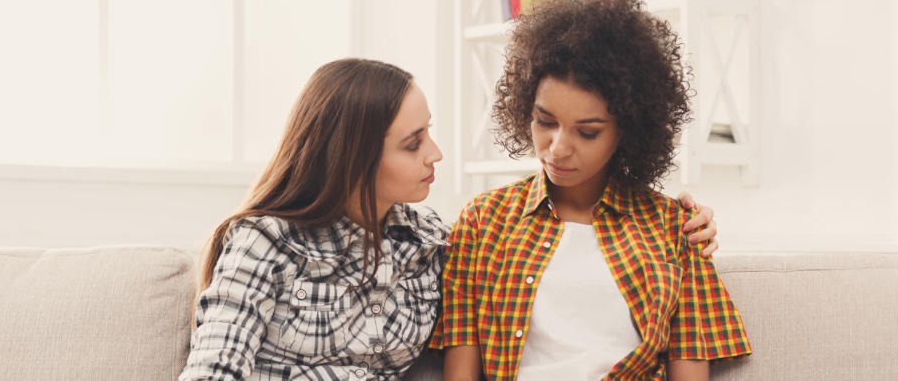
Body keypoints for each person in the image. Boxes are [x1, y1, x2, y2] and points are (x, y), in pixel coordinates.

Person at [179, 58, 720, 381]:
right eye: (414, 144)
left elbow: (507, 264)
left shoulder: (432, 240)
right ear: (353, 156)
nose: (436, 154)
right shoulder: (263, 241)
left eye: (428, 133)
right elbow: (215, 369)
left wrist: (690, 222)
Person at [429, 0, 752, 381]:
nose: (558, 149)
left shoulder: (676, 229)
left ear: (628, 131)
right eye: (545, 122)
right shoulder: (483, 222)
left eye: (588, 132)